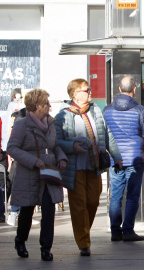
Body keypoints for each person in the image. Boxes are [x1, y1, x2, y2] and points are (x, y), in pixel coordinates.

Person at [55, 79, 122, 256]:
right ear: (75, 93)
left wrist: (117, 156)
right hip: (74, 167)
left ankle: (84, 230)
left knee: (93, 201)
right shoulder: (62, 115)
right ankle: (84, 242)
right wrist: (72, 147)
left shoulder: (95, 110)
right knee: (78, 205)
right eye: (87, 90)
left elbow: (107, 134)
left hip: (94, 165)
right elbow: (55, 142)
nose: (90, 92)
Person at [7, 88, 67, 261]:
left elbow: (55, 145)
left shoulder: (51, 123)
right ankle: (20, 241)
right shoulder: (21, 124)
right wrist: (33, 161)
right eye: (47, 103)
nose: (49, 106)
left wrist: (61, 158)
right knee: (27, 211)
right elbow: (12, 148)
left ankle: (46, 248)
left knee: (49, 211)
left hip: (48, 173)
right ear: (38, 106)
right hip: (29, 174)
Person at [103, 76, 144, 242]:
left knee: (116, 196)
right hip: (134, 158)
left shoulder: (107, 110)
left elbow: (103, 135)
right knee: (132, 196)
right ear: (134, 89)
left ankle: (115, 231)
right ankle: (128, 230)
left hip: (115, 159)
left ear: (119, 89)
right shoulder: (140, 110)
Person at [5, 88, 26, 226]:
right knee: (18, 184)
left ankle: (18, 214)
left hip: (25, 159)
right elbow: (12, 144)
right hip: (21, 160)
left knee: (22, 186)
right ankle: (13, 213)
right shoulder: (19, 118)